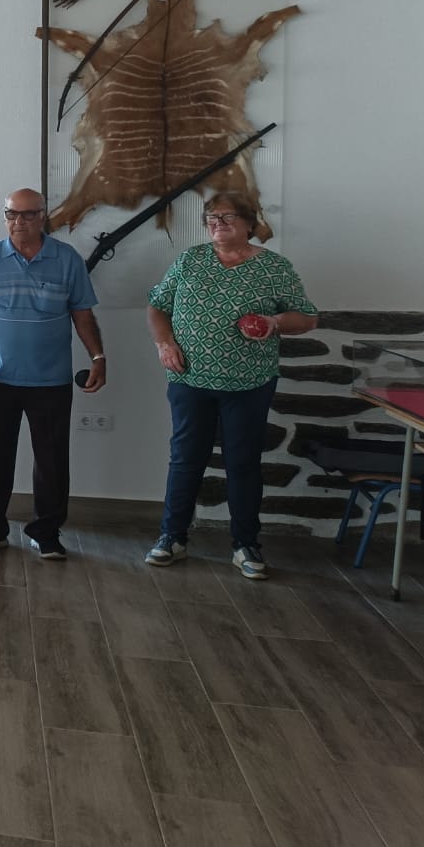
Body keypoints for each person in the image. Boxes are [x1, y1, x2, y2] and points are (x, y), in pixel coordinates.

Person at [144, 190, 317, 579]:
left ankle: (245, 545)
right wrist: (164, 343)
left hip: (249, 383)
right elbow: (157, 305)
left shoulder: (274, 268)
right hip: (190, 379)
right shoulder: (190, 260)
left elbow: (307, 317)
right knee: (186, 458)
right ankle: (172, 537)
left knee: (243, 462)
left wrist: (274, 322)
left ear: (249, 223)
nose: (217, 224)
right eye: (211, 218)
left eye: (226, 217)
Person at [0, 188, 105, 561]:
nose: (18, 222)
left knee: (52, 461)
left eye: (27, 214)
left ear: (43, 217)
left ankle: (47, 533)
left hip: (51, 380)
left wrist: (98, 357)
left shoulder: (67, 260)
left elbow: (82, 314)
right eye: (11, 214)